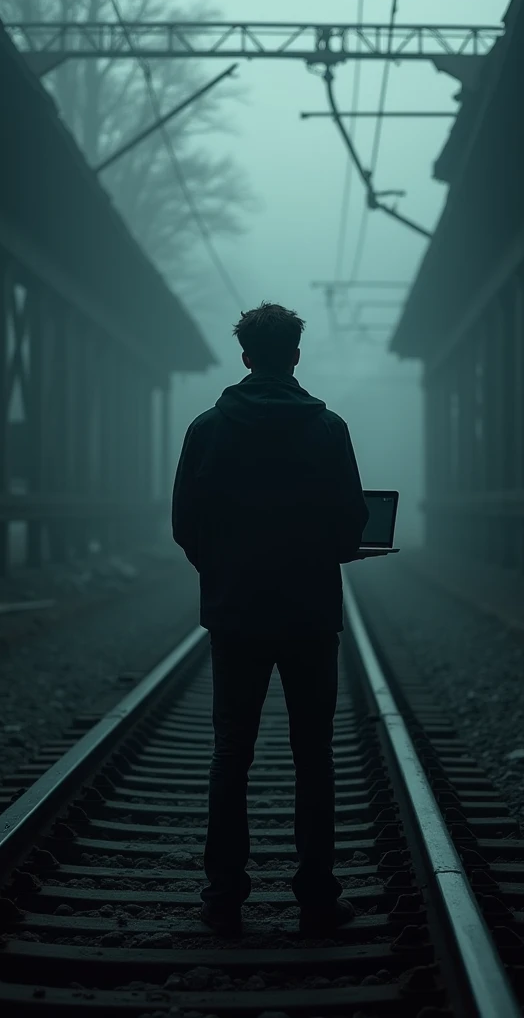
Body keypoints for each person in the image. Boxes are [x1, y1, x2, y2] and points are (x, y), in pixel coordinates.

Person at [172, 301, 373, 937]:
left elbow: (184, 524)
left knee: (231, 752)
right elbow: (350, 522)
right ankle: (316, 897)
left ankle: (223, 899)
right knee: (313, 753)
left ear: (245, 355)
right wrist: (323, 554)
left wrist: (224, 570)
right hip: (310, 612)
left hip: (236, 613)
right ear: (294, 354)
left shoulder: (207, 429)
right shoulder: (328, 428)